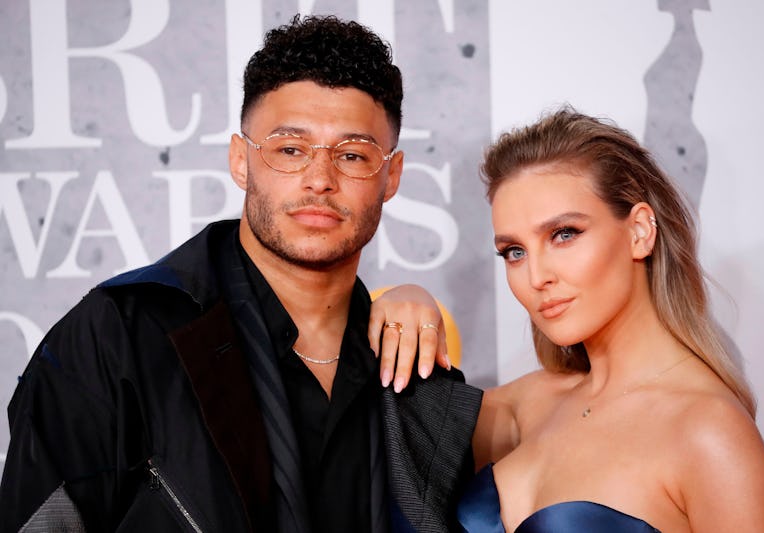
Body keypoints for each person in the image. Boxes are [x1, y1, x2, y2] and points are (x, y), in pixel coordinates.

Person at [0, 15, 481, 533]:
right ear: (240, 161)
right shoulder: (119, 335)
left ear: (392, 176)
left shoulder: (412, 372)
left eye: (353, 155)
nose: (320, 179)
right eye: (290, 149)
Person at [452, 107, 764, 531]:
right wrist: (403, 305)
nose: (537, 277)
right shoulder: (526, 405)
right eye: (514, 252)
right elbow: (382, 436)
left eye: (564, 234)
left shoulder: (708, 433)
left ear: (640, 231)